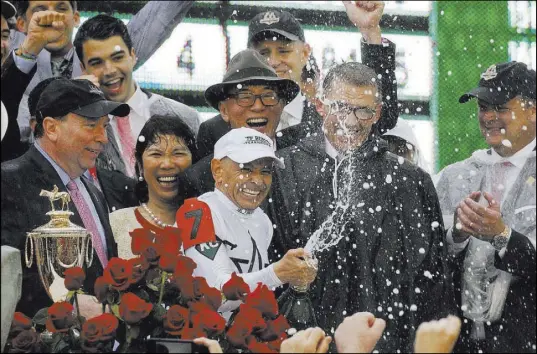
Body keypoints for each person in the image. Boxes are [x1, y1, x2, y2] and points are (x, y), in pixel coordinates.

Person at [269, 61, 455, 352]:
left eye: (364, 110)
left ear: (377, 112)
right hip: (307, 342)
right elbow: (271, 266)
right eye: (341, 108)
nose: (352, 121)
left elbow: (432, 280)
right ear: (320, 105)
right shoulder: (284, 170)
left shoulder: (410, 180)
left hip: (390, 341)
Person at [195, 0, 398, 160]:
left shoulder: (326, 118)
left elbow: (382, 117)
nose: (273, 62)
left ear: (305, 52)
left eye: (284, 51)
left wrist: (371, 31)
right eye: (263, 52)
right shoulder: (216, 129)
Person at [1, 78, 129, 318]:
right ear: (51, 128)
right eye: (91, 125)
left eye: (105, 126)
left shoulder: (91, 190)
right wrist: (68, 310)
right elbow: (7, 275)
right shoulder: (7, 182)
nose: (103, 138)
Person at [434, 61, 536, 353]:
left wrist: (502, 236)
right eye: (482, 106)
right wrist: (456, 235)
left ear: (533, 109)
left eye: (501, 106)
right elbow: (426, 265)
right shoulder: (454, 176)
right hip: (461, 343)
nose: (489, 117)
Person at [9, 0, 195, 145]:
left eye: (61, 8)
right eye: (41, 10)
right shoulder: (11, 69)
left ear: (75, 17)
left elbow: (159, 16)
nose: (53, 17)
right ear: (21, 23)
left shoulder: (101, 49)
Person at [179, 128, 317, 317]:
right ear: (217, 170)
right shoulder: (197, 211)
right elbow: (214, 294)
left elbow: (255, 293)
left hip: (242, 339)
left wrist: (296, 278)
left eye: (266, 171)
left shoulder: (262, 220)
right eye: (246, 169)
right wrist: (278, 274)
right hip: (203, 341)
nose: (258, 181)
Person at [73, 14, 201, 179]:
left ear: (132, 56)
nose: (110, 70)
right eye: (97, 63)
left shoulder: (185, 117)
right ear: (83, 69)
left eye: (117, 58)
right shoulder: (78, 127)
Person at [180, 48, 299, 196]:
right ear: (224, 111)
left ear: (281, 105)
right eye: (244, 96)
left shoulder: (302, 164)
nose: (258, 106)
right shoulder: (199, 179)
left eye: (268, 95)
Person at [110, 115, 197, 260]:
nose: (167, 164)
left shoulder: (212, 222)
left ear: (194, 161)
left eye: (178, 153)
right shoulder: (116, 224)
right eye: (156, 154)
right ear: (139, 165)